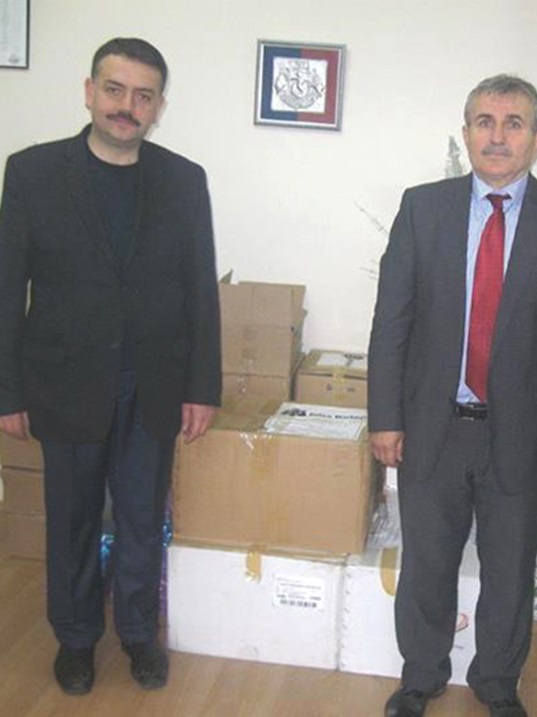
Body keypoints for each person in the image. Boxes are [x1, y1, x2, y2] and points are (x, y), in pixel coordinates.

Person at [368, 74, 537, 717]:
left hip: (527, 434)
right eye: (484, 122)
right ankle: (420, 678)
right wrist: (384, 417)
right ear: (466, 133)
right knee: (427, 565)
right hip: (432, 426)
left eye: (513, 123)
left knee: (510, 569)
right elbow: (392, 321)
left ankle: (497, 684)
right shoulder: (423, 208)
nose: (497, 137)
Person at [0, 38, 221, 695]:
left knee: (141, 518)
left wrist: (202, 386)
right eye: (115, 89)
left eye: (143, 95)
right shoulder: (32, 172)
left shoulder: (184, 180)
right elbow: (7, 288)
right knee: (70, 519)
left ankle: (137, 632)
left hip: (153, 383)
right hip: (64, 382)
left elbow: (199, 289)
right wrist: (7, 389)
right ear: (89, 91)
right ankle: (75, 639)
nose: (128, 106)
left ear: (159, 107)